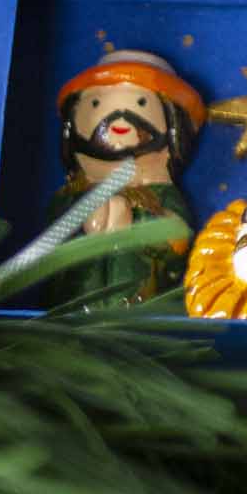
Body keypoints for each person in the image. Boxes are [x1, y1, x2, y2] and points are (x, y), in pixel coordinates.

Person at [46, 50, 205, 306]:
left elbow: (177, 240)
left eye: (141, 104)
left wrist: (135, 224)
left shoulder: (161, 195)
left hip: (137, 304)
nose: (118, 120)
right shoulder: (71, 194)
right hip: (71, 306)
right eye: (96, 104)